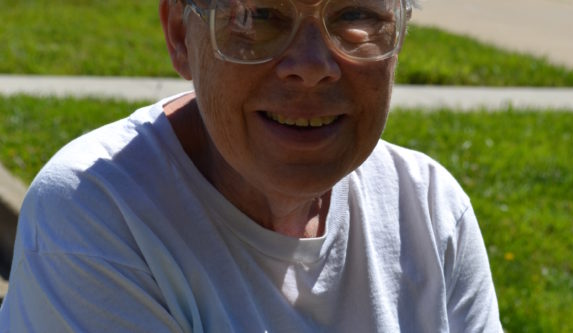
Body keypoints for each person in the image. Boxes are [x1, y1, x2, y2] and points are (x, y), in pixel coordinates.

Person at [0, 0, 503, 331]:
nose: (311, 66)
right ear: (180, 35)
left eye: (355, 11)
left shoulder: (430, 211)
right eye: (258, 15)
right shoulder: (99, 214)